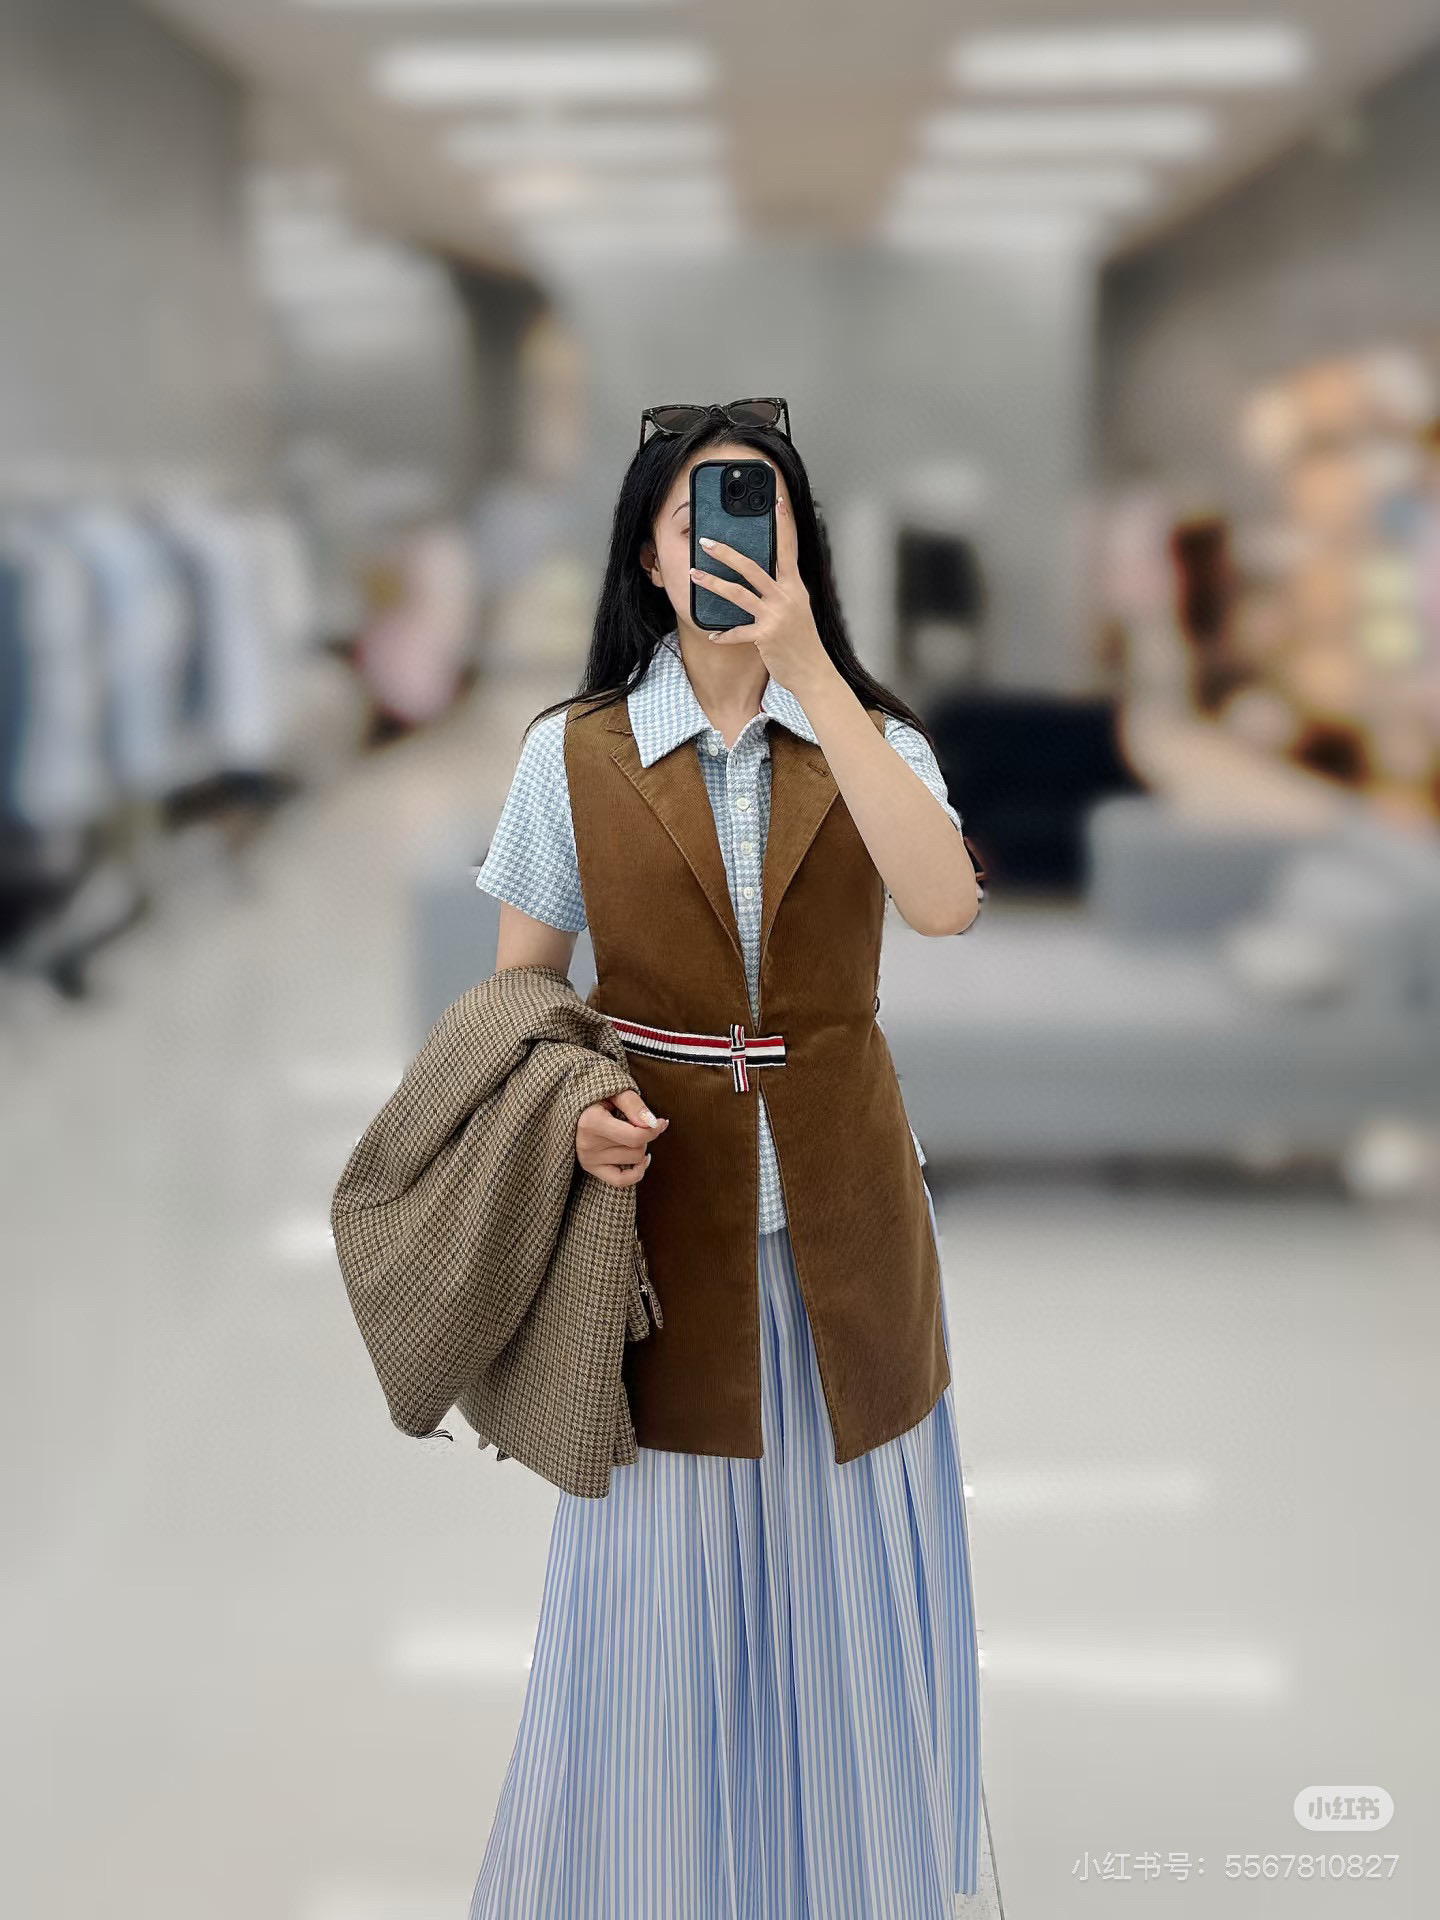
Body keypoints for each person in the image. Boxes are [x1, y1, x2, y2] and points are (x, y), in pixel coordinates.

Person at [469, 398, 989, 1920]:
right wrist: (573, 1107)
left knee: (849, 1578)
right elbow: (520, 1002)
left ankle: (851, 1877)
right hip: (658, 1230)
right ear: (648, 549)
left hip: (848, 1222)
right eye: (696, 512)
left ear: (798, 546)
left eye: (757, 510)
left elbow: (946, 905)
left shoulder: (871, 739)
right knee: (659, 1588)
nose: (725, 543)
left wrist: (814, 672)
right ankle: (654, 1877)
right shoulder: (572, 754)